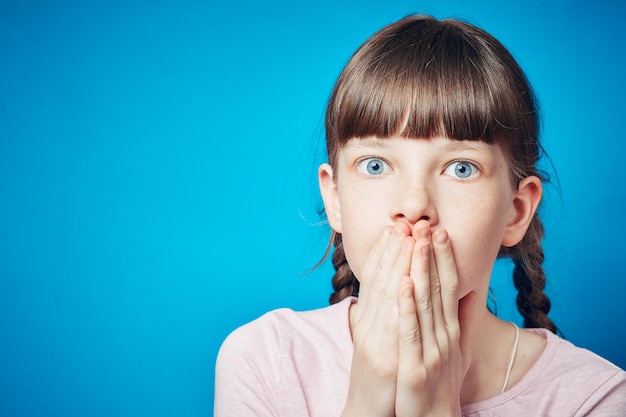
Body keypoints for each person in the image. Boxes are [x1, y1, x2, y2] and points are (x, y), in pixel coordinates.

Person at [214, 14, 626, 416]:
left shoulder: (596, 398)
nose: (413, 205)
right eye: (375, 165)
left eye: (460, 168)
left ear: (515, 212)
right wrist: (367, 402)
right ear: (335, 198)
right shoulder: (265, 358)